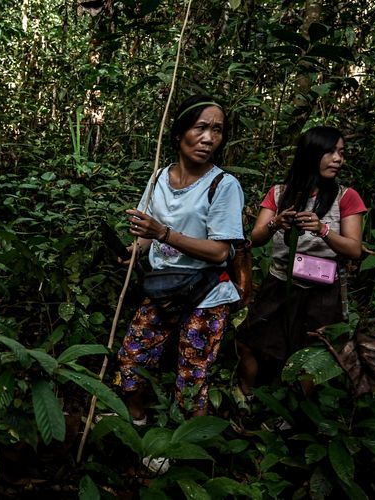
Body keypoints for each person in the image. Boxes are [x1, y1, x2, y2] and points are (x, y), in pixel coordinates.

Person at [115, 95, 245, 420]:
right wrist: (135, 250)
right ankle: (137, 422)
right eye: (200, 128)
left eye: (217, 130)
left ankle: (183, 450)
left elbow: (219, 251)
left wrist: (163, 234)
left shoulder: (224, 185)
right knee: (132, 358)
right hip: (164, 288)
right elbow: (148, 230)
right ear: (178, 133)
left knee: (191, 375)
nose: (208, 138)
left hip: (206, 293)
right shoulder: (160, 176)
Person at [236, 126, 367, 399]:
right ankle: (246, 397)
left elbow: (354, 249)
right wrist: (276, 222)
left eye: (341, 153)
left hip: (321, 292)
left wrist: (324, 230)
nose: (338, 159)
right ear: (311, 153)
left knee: (309, 357)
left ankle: (296, 418)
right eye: (330, 152)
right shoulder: (279, 192)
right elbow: (256, 238)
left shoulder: (346, 196)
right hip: (280, 282)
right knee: (249, 340)